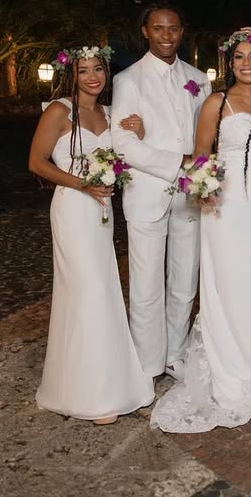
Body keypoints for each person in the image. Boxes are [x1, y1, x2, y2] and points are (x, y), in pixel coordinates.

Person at [152, 30, 251, 432]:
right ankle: (234, 365)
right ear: (229, 64)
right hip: (227, 208)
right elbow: (199, 157)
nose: (247, 63)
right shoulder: (215, 103)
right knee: (231, 283)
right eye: (239, 57)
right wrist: (202, 190)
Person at [29, 45, 153, 424]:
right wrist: (81, 184)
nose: (92, 77)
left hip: (101, 212)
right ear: (72, 75)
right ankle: (90, 394)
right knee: (88, 292)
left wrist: (140, 132)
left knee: (104, 290)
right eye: (83, 70)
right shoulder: (59, 110)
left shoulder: (111, 114)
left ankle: (109, 383)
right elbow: (35, 162)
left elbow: (128, 155)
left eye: (98, 68)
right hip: (72, 208)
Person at [112, 5, 211, 380]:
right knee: (147, 284)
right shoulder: (128, 79)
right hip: (147, 195)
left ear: (182, 32)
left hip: (190, 196)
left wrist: (201, 170)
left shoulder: (200, 79)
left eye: (173, 28)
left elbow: (206, 135)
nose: (166, 35)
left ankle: (176, 354)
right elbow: (123, 145)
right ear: (145, 32)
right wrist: (181, 162)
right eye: (158, 28)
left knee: (185, 281)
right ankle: (147, 363)